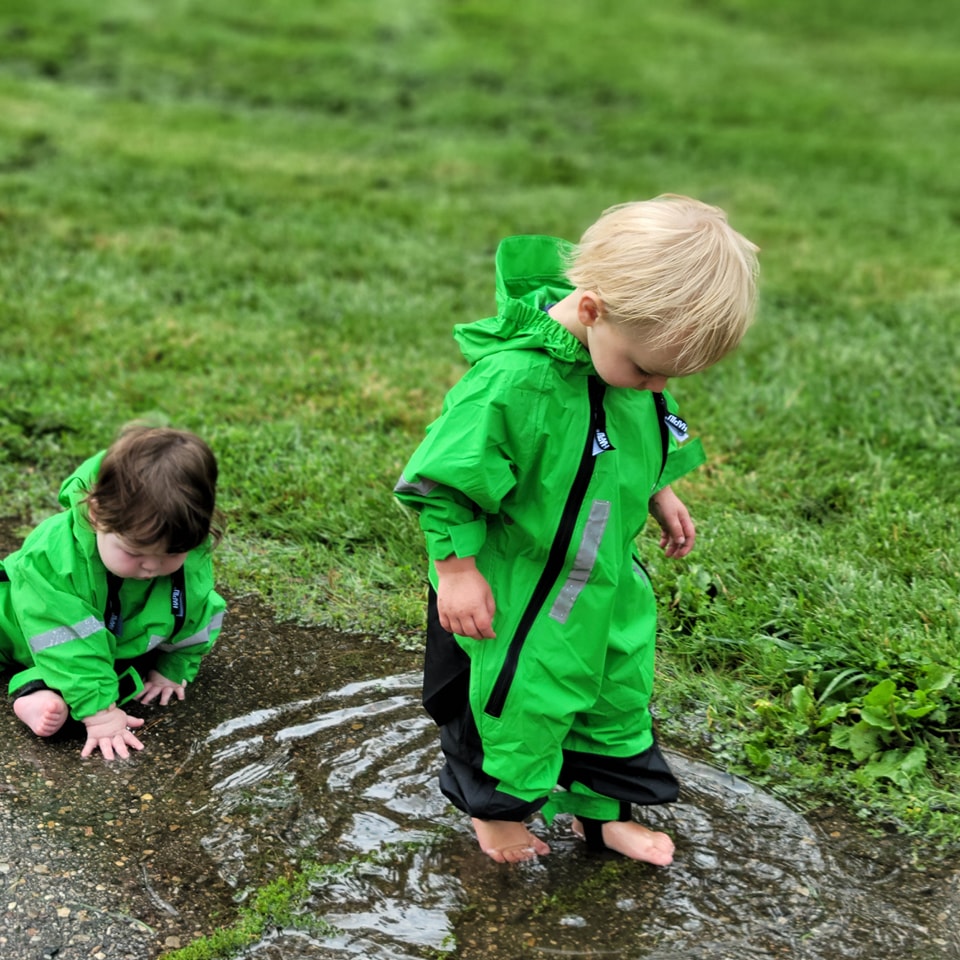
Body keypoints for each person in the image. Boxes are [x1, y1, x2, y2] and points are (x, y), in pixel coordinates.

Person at [395, 195, 759, 864]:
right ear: (591, 310)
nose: (655, 388)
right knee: (514, 702)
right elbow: (439, 481)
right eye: (649, 372)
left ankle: (601, 814)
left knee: (611, 697)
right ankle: (497, 816)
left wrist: (659, 488)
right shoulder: (513, 384)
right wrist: (457, 571)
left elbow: (632, 432)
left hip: (600, 583)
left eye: (668, 378)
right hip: (514, 594)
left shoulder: (625, 358)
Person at [0, 424, 226, 761]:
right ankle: (43, 688)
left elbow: (196, 612)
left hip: (102, 641)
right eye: (135, 553)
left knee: (126, 679)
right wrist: (101, 715)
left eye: (171, 554)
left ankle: (35, 691)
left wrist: (174, 665)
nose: (152, 566)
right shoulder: (53, 557)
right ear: (96, 514)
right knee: (88, 685)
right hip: (19, 629)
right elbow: (65, 639)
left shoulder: (187, 548)